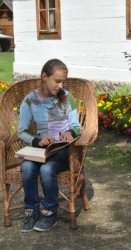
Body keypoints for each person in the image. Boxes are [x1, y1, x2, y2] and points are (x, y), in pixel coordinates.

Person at [18, 59, 81, 232]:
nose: (61, 85)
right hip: (41, 149)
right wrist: (37, 141)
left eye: (63, 81)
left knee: (46, 170)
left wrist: (71, 133)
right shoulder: (30, 100)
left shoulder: (68, 98)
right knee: (27, 167)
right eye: (57, 81)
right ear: (44, 77)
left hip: (62, 150)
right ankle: (32, 211)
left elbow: (77, 126)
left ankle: (49, 211)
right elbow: (21, 131)